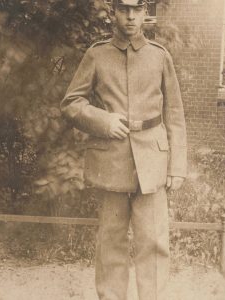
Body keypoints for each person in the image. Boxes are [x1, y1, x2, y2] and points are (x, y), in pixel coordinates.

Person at [60, 0, 187, 299]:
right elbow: (71, 103)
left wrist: (177, 166)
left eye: (137, 9)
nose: (130, 17)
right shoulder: (97, 54)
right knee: (110, 243)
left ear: (145, 13)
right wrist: (102, 121)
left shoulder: (160, 56)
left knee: (154, 243)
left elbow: (175, 114)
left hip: (153, 162)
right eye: (123, 9)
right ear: (113, 12)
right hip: (111, 161)